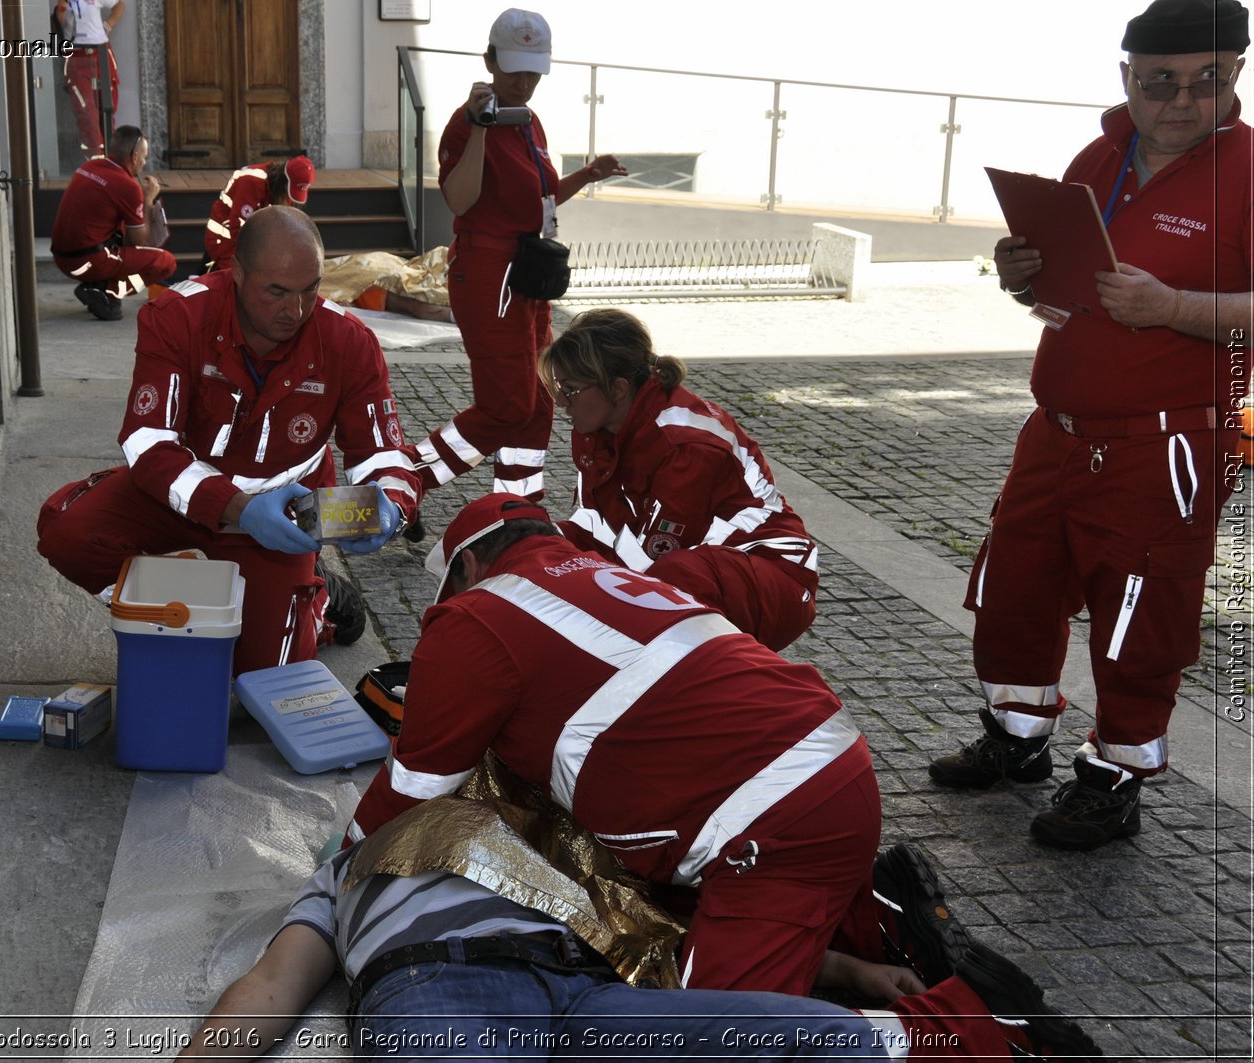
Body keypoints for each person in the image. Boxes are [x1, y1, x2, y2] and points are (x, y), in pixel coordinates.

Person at [346, 493, 895, 995]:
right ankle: (835, 969)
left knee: (707, 1039)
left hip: (774, 819)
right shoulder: (602, 576)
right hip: (824, 763)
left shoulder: (476, 614)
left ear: (466, 569)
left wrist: (342, 868)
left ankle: (937, 1033)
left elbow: (413, 787)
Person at [929, 0, 1252, 851]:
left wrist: (1176, 307)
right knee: (1014, 588)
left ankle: (1114, 778)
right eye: (1160, 83)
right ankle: (1018, 736)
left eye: (1208, 81)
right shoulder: (1099, 155)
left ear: (1237, 78)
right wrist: (1018, 273)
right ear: (1127, 80)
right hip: (1057, 431)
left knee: (1139, 615)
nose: (1182, 101)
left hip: (1165, 442)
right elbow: (1058, 293)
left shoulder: (1252, 173)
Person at [178, 800, 1102, 1062]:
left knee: (818, 1037)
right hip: (443, 986)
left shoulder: (563, 836)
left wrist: (852, 970)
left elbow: (663, 931)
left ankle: (969, 1035)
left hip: (589, 996)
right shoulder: (352, 862)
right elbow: (271, 987)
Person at [36, 207, 419, 674]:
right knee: (68, 533)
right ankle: (197, 604)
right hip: (178, 502)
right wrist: (235, 507)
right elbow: (147, 442)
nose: (295, 311)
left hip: (284, 523)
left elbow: (383, 452)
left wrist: (391, 507)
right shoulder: (177, 316)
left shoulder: (349, 341)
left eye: (310, 289)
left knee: (262, 681)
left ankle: (316, 599)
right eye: (276, 292)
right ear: (236, 272)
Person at [405, 9, 626, 537]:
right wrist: (479, 127)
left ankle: (516, 515)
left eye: (533, 72)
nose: (524, 83)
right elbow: (459, 199)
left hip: (525, 276)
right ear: (490, 61)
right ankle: (402, 479)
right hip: (488, 276)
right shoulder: (468, 121)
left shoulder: (529, 120)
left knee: (536, 404)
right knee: (506, 406)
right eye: (514, 71)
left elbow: (541, 200)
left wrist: (588, 174)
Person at [537, 308, 819, 651]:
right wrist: (542, 545)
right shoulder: (601, 428)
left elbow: (647, 563)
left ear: (618, 388)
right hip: (707, 564)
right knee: (528, 535)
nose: (562, 402)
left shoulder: (683, 446)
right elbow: (597, 527)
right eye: (558, 388)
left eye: (571, 389)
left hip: (773, 577)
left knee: (664, 584)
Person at [48, 125, 175, 322]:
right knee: (165, 263)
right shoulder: (128, 186)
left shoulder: (88, 167)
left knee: (123, 223)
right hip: (88, 261)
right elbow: (140, 240)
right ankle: (109, 292)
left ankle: (98, 285)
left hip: (62, 258)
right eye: (144, 156)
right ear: (133, 156)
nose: (144, 163)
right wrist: (147, 201)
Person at [203, 156, 316, 273]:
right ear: (283, 181)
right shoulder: (252, 181)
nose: (288, 199)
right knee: (245, 280)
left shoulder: (279, 188)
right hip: (225, 241)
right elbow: (239, 227)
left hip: (251, 239)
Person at [54, 0, 123, 156]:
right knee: (85, 108)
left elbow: (119, 6)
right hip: (78, 55)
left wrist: (107, 26)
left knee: (107, 106)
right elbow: (62, 21)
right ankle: (95, 156)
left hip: (101, 53)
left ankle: (110, 156)